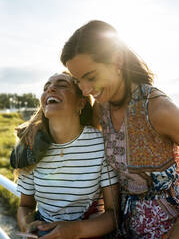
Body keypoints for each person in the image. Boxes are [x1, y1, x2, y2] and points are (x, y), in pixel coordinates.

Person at [60, 20, 179, 239]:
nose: (85, 90)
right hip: (121, 225)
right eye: (78, 81)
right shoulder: (101, 108)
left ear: (116, 59)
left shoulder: (159, 109)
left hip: (167, 228)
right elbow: (80, 141)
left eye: (91, 77)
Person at [11, 73, 119, 239]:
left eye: (62, 84)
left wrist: (74, 231)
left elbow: (113, 215)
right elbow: (25, 206)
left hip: (87, 233)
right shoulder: (30, 145)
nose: (51, 89)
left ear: (81, 103)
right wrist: (28, 226)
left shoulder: (100, 145)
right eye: (46, 87)